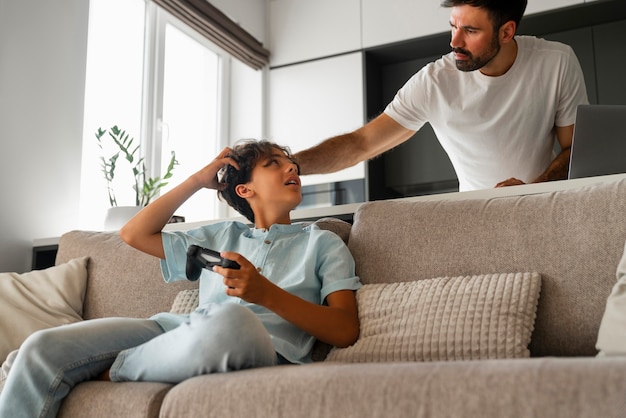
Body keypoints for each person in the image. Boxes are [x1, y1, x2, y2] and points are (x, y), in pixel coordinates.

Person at [0, 140, 361, 418]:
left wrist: (265, 294)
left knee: (233, 321)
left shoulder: (323, 241)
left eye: (291, 163)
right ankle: (140, 359)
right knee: (39, 348)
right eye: (274, 164)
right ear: (244, 190)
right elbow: (134, 234)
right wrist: (196, 180)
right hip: (174, 330)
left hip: (257, 346)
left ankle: (118, 369)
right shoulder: (220, 235)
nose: (291, 166)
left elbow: (345, 329)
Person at [294, 0, 589, 192]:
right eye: (453, 26)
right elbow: (361, 144)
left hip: (547, 202)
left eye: (470, 31)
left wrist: (532, 189)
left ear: (506, 32)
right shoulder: (434, 82)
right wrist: (291, 165)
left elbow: (575, 149)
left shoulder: (556, 62)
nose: (454, 41)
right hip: (474, 216)